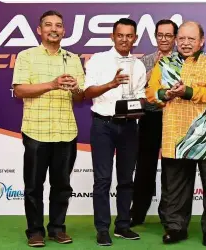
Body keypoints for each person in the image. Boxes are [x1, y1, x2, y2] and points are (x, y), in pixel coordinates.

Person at [146, 21, 206, 246]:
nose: (185, 43)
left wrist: (188, 92)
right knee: (175, 188)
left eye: (191, 39)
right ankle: (176, 228)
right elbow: (150, 93)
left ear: (201, 41)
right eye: (181, 38)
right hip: (175, 135)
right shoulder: (163, 63)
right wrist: (165, 93)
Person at [12, 10, 85, 247]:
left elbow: (81, 97)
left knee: (62, 185)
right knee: (34, 185)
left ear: (64, 31)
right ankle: (34, 231)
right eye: (48, 25)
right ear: (39, 30)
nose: (54, 29)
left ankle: (57, 229)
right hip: (36, 131)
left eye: (58, 25)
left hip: (66, 131)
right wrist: (52, 84)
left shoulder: (73, 59)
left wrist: (75, 88)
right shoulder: (26, 56)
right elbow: (20, 90)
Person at [84, 18, 146, 246]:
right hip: (103, 125)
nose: (124, 39)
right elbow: (87, 91)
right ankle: (102, 229)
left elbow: (140, 95)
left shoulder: (138, 65)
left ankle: (123, 225)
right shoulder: (98, 60)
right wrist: (111, 84)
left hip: (129, 126)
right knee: (102, 180)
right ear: (112, 36)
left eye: (129, 36)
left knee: (126, 180)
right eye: (120, 35)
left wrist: (138, 106)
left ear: (135, 39)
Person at [130, 19, 178, 227]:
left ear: (175, 38)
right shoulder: (145, 60)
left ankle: (170, 215)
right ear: (155, 36)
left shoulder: (183, 61)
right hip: (150, 118)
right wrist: (153, 71)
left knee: (173, 168)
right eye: (161, 35)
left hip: (175, 119)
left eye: (168, 35)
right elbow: (136, 91)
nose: (164, 39)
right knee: (145, 167)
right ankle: (137, 214)